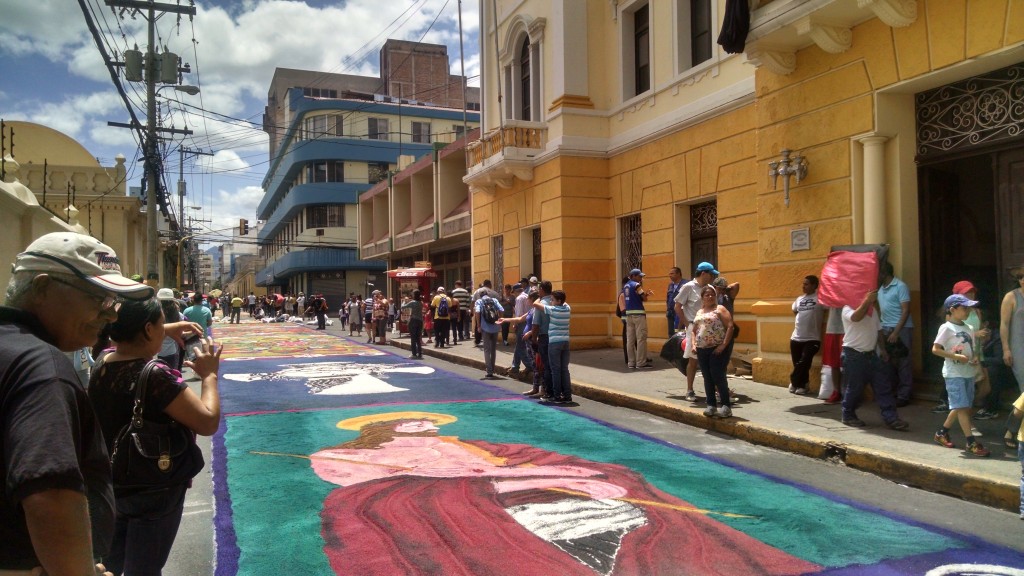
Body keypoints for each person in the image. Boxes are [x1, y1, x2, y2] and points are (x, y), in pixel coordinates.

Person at [306, 411, 820, 575]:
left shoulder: (470, 441)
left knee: (627, 491)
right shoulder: (351, 455)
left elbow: (524, 458)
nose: (424, 422)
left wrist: (575, 473)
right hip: (449, 501)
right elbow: (358, 485)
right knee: (432, 519)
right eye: (412, 419)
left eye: (426, 420)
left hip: (529, 490)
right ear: (385, 427)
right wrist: (501, 481)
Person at [0, 232, 159, 576]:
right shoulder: (42, 367)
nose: (112, 315)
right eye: (100, 299)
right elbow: (49, 490)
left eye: (115, 302)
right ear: (43, 288)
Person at [88, 298, 222, 574]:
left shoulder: (103, 359)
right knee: (145, 568)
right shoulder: (155, 375)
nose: (165, 329)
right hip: (155, 487)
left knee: (110, 563)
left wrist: (168, 327)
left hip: (113, 481)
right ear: (148, 329)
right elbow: (207, 422)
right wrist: (209, 377)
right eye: (161, 323)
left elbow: (129, 334)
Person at [840, 289, 909, 430]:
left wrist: (882, 350)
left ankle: (891, 418)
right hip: (854, 355)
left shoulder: (873, 311)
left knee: (883, 387)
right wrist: (867, 301)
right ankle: (848, 414)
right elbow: (856, 317)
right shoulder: (847, 308)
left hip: (871, 355)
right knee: (855, 388)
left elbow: (878, 331)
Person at [931, 293, 990, 456]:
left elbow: (971, 349)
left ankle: (941, 433)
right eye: (964, 308)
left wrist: (974, 358)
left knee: (961, 405)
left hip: (968, 372)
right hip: (954, 373)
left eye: (968, 308)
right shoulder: (946, 328)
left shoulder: (969, 328)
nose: (968, 311)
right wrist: (956, 357)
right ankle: (971, 443)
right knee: (962, 407)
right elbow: (935, 349)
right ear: (952, 309)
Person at [674, 262, 718, 401]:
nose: (712, 278)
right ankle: (690, 390)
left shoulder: (710, 288)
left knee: (712, 360)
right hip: (694, 328)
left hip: (710, 329)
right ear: (703, 273)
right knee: (693, 360)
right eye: (711, 275)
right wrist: (687, 323)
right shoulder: (688, 287)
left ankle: (715, 390)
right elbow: (677, 306)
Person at [692, 285, 735, 418]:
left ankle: (726, 406)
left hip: (717, 349)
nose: (710, 297)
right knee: (707, 377)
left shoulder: (720, 309)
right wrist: (694, 344)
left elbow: (730, 326)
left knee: (718, 376)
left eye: (712, 294)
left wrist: (723, 345)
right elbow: (694, 330)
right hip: (702, 349)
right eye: (707, 295)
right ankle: (711, 405)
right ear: (702, 297)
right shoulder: (699, 312)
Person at [878, 262, 914, 406]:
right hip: (886, 327)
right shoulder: (880, 288)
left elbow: (906, 310)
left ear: (884, 273)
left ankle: (904, 395)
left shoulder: (900, 286)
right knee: (888, 362)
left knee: (903, 362)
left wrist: (896, 332)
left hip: (902, 328)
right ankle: (892, 392)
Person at [534, 289, 572, 403]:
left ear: (559, 301)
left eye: (553, 299)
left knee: (555, 370)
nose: (551, 301)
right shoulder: (567, 309)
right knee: (564, 369)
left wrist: (539, 297)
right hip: (565, 342)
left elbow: (535, 304)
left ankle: (556, 396)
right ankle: (567, 395)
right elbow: (566, 303)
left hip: (554, 342)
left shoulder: (552, 310)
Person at [790, 275, 824, 396]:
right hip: (796, 337)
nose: (803, 286)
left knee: (804, 362)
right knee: (798, 363)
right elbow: (795, 311)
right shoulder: (799, 299)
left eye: (806, 284)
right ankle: (803, 385)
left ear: (814, 285)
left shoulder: (820, 298)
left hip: (812, 338)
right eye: (803, 284)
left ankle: (794, 381)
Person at [1000, 263, 1024, 395]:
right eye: (1020, 277)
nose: (1023, 280)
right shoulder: (1011, 297)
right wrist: (1006, 349)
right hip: (1018, 346)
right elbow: (1004, 323)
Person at [622, 268, 652, 369]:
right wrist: (646, 295)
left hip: (629, 315)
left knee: (630, 340)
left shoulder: (625, 285)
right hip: (638, 314)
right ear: (633, 276)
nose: (641, 279)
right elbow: (644, 298)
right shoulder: (637, 285)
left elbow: (633, 297)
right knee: (641, 338)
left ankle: (631, 363)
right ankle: (641, 363)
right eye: (639, 276)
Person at [475, 289, 505, 378]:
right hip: (495, 327)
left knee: (487, 350)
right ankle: (493, 368)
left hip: (485, 328)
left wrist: (479, 326)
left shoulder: (479, 301)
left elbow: (477, 312)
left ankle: (489, 371)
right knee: (493, 349)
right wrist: (500, 321)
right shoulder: (494, 300)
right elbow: (502, 309)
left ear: (480, 295)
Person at [508, 284, 535, 376]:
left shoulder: (519, 298)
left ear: (516, 291)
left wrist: (515, 324)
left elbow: (518, 314)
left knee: (520, 346)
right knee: (519, 345)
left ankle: (529, 365)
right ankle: (515, 366)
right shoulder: (528, 296)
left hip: (522, 323)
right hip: (529, 321)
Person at [821, 307, 844, 404]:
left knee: (849, 363)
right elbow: (823, 305)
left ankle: (849, 392)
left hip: (848, 329)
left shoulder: (851, 291)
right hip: (832, 328)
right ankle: (836, 392)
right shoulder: (830, 292)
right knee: (834, 363)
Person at [158, 288, 184, 370]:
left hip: (156, 351)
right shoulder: (179, 315)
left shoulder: (154, 315)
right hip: (172, 351)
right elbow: (180, 334)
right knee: (173, 376)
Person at [402, 290, 424, 359]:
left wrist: (404, 301)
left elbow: (403, 307)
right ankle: (419, 353)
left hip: (413, 320)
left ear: (414, 295)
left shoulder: (412, 302)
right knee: (418, 337)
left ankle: (414, 353)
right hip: (420, 321)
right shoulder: (421, 303)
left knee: (413, 338)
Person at [666, 267, 684, 339]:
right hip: (670, 313)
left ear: (678, 274)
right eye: (669, 274)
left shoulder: (685, 284)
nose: (670, 275)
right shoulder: (670, 285)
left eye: (672, 273)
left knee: (680, 334)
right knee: (671, 334)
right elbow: (668, 298)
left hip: (680, 313)